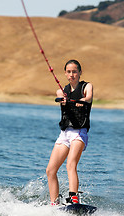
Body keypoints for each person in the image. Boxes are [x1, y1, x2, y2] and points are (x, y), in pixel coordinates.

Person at [46, 59, 93, 205]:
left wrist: (82, 100)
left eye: (74, 71)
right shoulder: (62, 90)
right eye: (69, 72)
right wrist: (64, 100)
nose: (72, 74)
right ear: (65, 73)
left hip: (79, 132)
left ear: (79, 73)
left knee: (70, 165)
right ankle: (55, 203)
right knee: (50, 170)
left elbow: (89, 97)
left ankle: (74, 199)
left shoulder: (87, 86)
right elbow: (60, 95)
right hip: (65, 134)